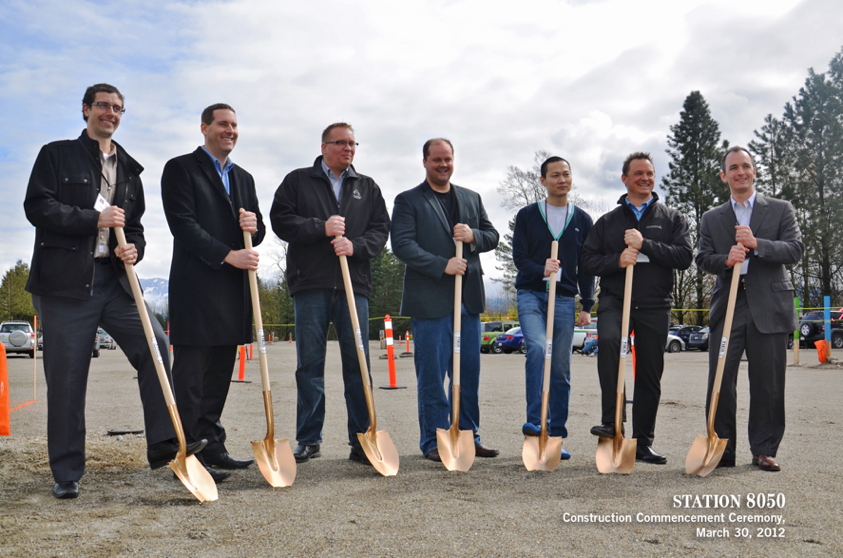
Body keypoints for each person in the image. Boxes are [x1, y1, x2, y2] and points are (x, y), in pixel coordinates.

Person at [24, 83, 205, 499]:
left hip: (115, 281)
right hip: (66, 285)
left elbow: (135, 225)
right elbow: (38, 207)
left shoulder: (130, 169)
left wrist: (134, 247)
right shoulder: (56, 155)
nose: (111, 113)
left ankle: (163, 443)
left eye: (118, 108)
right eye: (103, 106)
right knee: (68, 378)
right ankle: (67, 471)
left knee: (157, 347)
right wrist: (95, 220)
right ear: (86, 109)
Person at [270, 123, 390, 465]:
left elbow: (382, 230)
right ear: (324, 147)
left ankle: (361, 439)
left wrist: (357, 246)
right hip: (311, 284)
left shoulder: (366, 187)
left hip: (355, 285)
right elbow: (280, 220)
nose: (348, 149)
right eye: (341, 143)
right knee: (309, 365)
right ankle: (309, 439)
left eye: (353, 143)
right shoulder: (298, 181)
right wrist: (319, 228)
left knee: (358, 365)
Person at [161, 103, 265, 482]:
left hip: (233, 289)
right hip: (196, 286)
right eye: (223, 124)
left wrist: (256, 225)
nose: (230, 130)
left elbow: (257, 231)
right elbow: (183, 226)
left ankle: (212, 442)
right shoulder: (180, 169)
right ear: (204, 127)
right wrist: (227, 255)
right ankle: (186, 452)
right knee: (191, 375)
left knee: (221, 369)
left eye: (235, 125)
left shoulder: (244, 178)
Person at [391, 138, 500, 462]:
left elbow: (492, 235)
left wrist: (474, 237)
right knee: (432, 377)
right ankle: (434, 441)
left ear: (454, 160)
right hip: (430, 303)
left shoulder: (471, 197)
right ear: (425, 161)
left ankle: (469, 436)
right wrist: (442, 265)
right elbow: (402, 244)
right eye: (436, 159)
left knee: (467, 375)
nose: (443, 165)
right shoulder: (409, 200)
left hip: (467, 303)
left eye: (448, 159)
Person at [580, 152, 692, 464]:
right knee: (611, 343)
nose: (645, 178)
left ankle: (643, 443)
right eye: (638, 173)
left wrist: (646, 245)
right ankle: (612, 423)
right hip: (616, 300)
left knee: (650, 373)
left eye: (650, 173)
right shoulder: (608, 222)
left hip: (655, 304)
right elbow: (587, 261)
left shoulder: (671, 219)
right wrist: (616, 260)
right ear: (625, 179)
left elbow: (684, 257)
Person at [696, 146, 802, 471]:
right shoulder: (712, 218)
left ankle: (764, 450)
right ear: (723, 175)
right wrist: (725, 260)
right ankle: (721, 450)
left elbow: (795, 249)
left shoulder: (781, 209)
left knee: (768, 382)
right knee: (720, 379)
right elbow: (702, 258)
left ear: (754, 171)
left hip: (769, 305)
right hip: (729, 304)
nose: (740, 172)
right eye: (733, 167)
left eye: (746, 166)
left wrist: (758, 244)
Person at [512, 156, 594, 460]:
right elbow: (519, 258)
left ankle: (556, 434)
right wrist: (540, 268)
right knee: (535, 347)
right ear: (542, 180)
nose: (562, 180)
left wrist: (587, 304)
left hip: (563, 299)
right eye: (555, 175)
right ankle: (535, 425)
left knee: (560, 368)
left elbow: (587, 267)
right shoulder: (527, 215)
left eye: (566, 174)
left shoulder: (582, 219)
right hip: (532, 294)